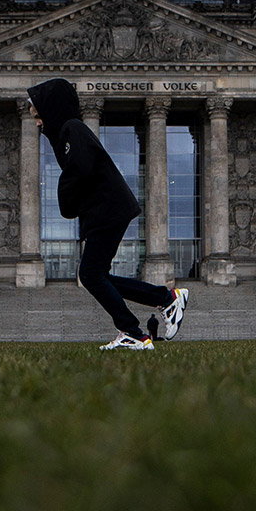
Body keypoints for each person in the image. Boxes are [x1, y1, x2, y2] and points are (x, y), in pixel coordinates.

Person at [27, 79, 187, 351]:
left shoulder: (72, 129)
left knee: (90, 274)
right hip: (106, 210)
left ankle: (133, 331)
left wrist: (65, 198)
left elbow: (80, 170)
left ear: (51, 111)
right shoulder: (67, 132)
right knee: (98, 275)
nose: (38, 124)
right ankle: (165, 298)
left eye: (39, 117)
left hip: (107, 209)